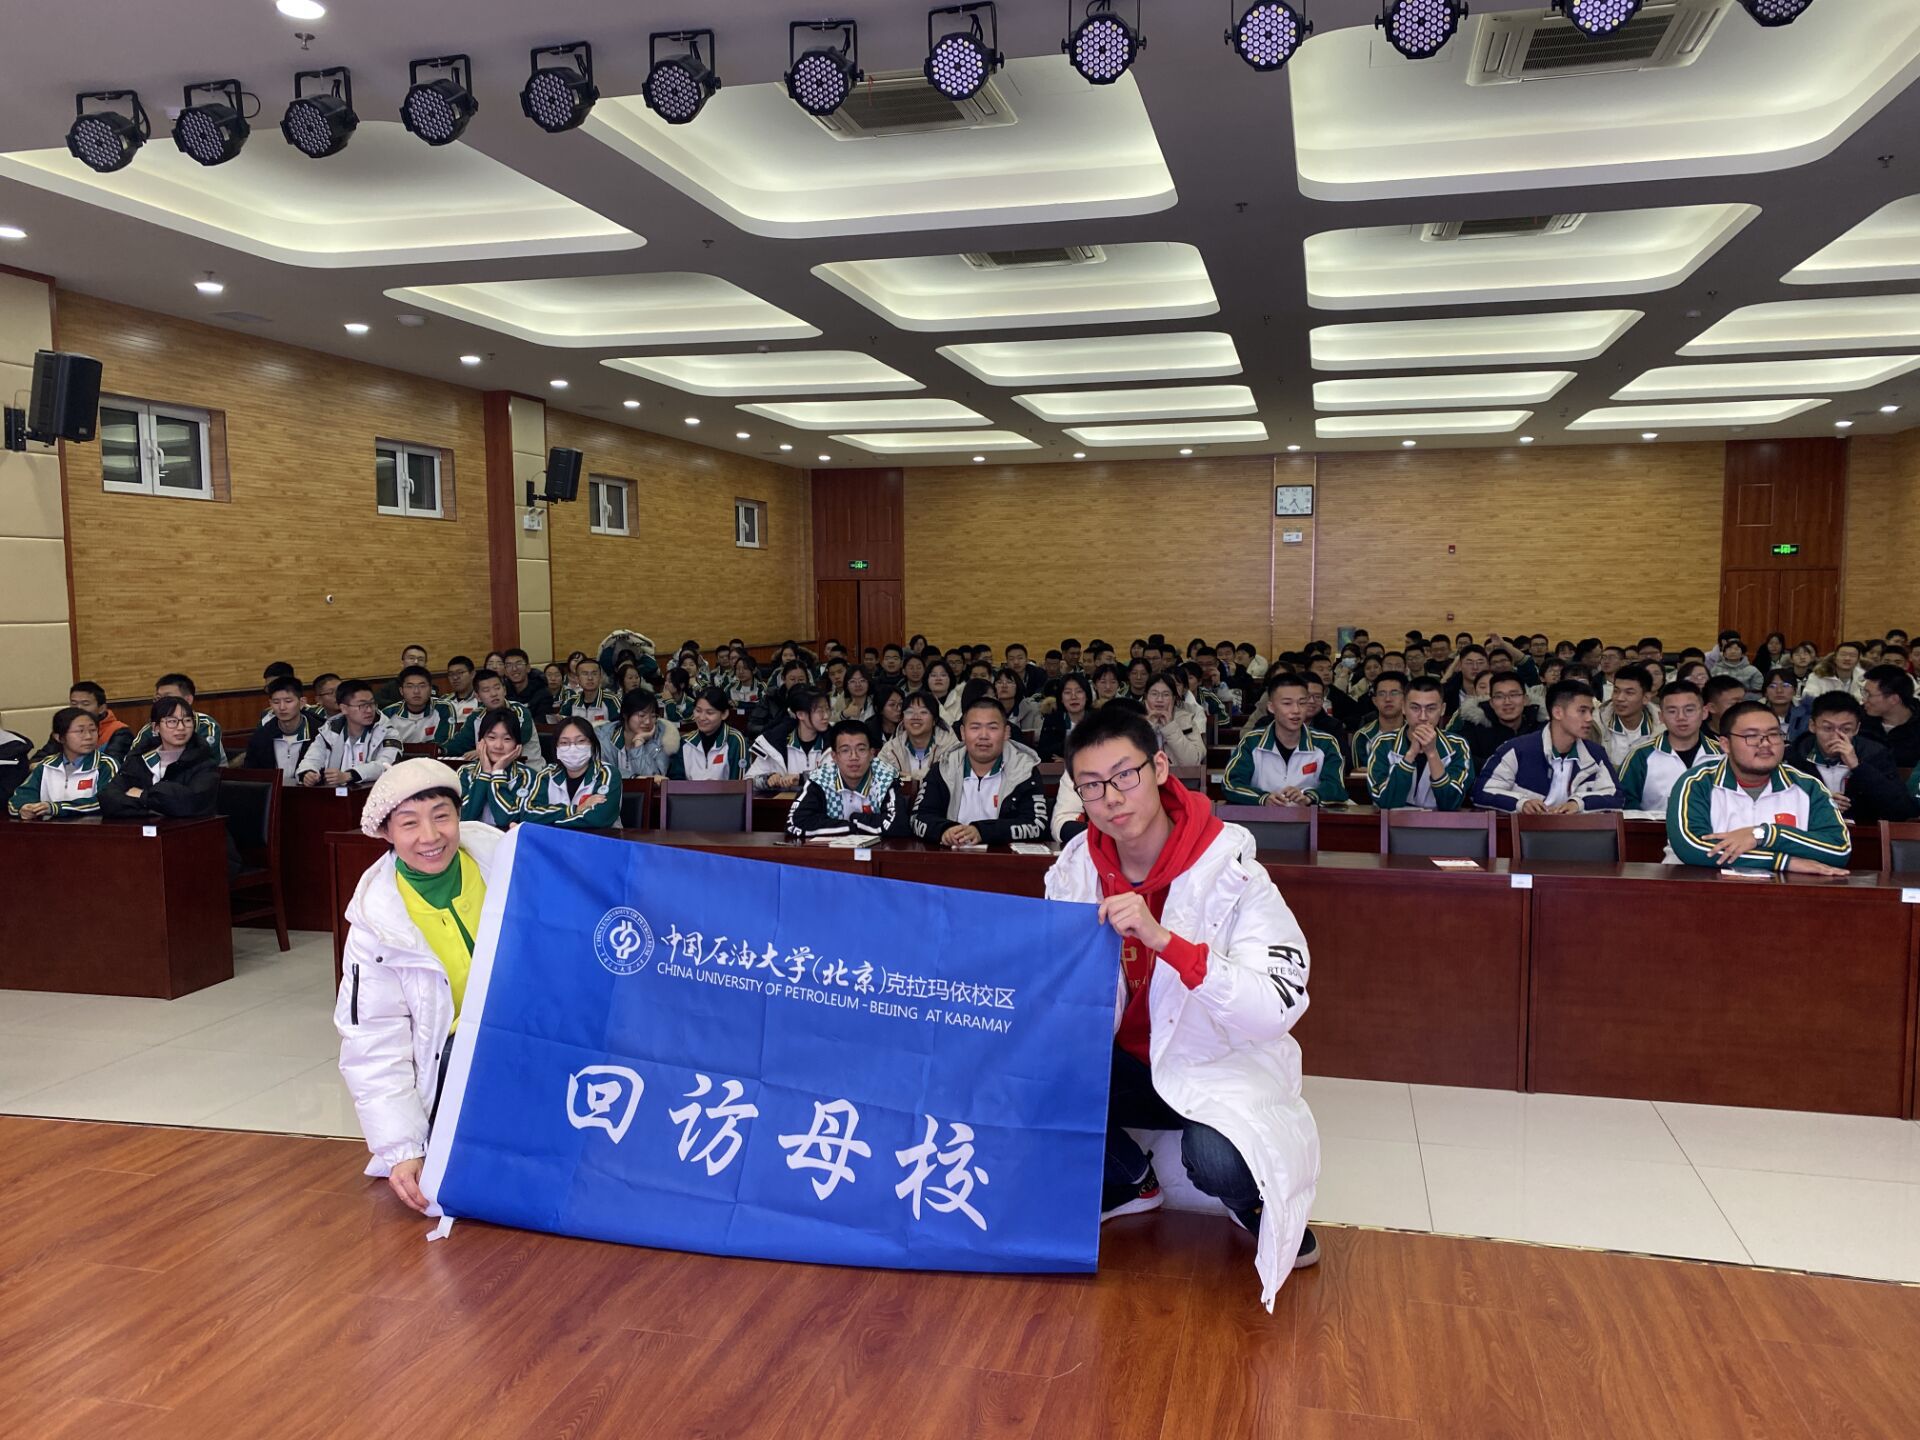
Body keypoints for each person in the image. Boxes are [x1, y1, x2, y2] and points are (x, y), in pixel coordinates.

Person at [1043, 703, 1318, 1305]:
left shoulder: (1233, 871)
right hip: (1125, 1063)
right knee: (1023, 1075)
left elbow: (1276, 1007)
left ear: (1160, 768)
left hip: (1214, 1064)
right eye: (1091, 785)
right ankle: (1131, 1181)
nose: (1111, 797)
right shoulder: (1075, 869)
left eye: (1125, 775)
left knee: (1218, 1158)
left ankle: (1253, 1203)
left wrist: (1168, 943)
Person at [337, 757, 510, 1211]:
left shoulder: (506, 860)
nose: (430, 837)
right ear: (386, 833)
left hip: (534, 1036)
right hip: (457, 1065)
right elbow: (372, 1039)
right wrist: (402, 1149)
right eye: (409, 823)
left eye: (441, 816)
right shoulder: (377, 922)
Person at [1667, 700, 1850, 874]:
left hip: (1783, 891)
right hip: (1703, 889)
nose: (1765, 744)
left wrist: (1767, 835)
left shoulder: (1808, 787)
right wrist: (1783, 862)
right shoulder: (1697, 783)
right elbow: (1691, 847)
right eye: (1751, 736)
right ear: (1725, 744)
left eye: (1774, 734)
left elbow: (1839, 849)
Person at [909, 695, 1048, 847]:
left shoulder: (1024, 770)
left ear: (1006, 732)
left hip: (1004, 857)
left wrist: (983, 832)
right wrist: (944, 830)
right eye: (975, 727)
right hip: (952, 856)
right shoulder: (943, 768)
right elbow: (918, 818)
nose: (983, 736)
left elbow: (1036, 825)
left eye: (992, 728)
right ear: (963, 733)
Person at [1473, 680, 1622, 814]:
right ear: (1557, 712)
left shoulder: (1595, 753)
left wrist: (1579, 803)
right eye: (1582, 711)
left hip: (1577, 832)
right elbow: (1482, 792)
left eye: (1591, 711)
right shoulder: (1517, 750)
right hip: (1526, 831)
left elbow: (1616, 796)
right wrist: (1521, 803)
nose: (1589, 718)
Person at [1787, 693, 1915, 826]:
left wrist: (1858, 767)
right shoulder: (1795, 756)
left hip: (1864, 832)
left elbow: (1902, 810)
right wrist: (1819, 801)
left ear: (1857, 728)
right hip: (1809, 831)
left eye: (1846, 729)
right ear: (1812, 726)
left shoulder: (1875, 754)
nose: (1836, 737)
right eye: (1828, 728)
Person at [1222, 673, 1348, 807]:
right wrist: (1263, 798)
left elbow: (1336, 787)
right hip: (1261, 817)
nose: (1296, 710)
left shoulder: (1325, 743)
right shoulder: (1252, 741)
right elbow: (1231, 784)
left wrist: (1309, 797)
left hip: (1308, 817)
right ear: (1271, 707)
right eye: (1287, 703)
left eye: (1302, 703)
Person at [102, 695, 222, 819]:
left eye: (187, 720)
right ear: (156, 727)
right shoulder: (140, 758)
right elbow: (109, 798)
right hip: (143, 828)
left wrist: (142, 795)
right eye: (172, 721)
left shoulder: (203, 760)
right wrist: (152, 808)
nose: (181, 727)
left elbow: (189, 803)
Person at [786, 720, 908, 839]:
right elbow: (794, 823)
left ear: (872, 754)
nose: (854, 757)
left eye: (861, 749)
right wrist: (850, 827)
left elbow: (898, 825)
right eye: (845, 750)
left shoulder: (886, 777)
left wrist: (855, 819)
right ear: (834, 756)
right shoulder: (820, 779)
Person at [1367, 676, 1473, 811]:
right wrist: (1410, 754)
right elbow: (1385, 801)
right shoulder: (1383, 743)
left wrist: (1432, 753)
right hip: (1395, 822)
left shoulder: (1457, 745)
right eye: (1415, 708)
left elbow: (1451, 803)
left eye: (1431, 708)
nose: (1423, 717)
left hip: (1441, 823)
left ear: (1442, 709)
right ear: (1403, 708)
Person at [1617, 681, 1723, 814]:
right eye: (1672, 711)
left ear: (1704, 712)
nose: (1681, 717)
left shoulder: (1723, 754)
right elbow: (1623, 803)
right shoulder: (1640, 756)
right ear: (1661, 717)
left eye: (1689, 710)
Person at [9, 707, 116, 819]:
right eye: (80, 731)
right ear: (59, 737)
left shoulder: (105, 765)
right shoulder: (46, 766)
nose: (88, 737)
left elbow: (106, 801)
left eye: (93, 730)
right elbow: (19, 798)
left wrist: (56, 808)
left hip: (92, 828)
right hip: (51, 828)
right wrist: (25, 808)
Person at [299, 679, 403, 787]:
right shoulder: (330, 730)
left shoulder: (387, 731)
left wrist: (350, 775)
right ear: (344, 708)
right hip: (335, 793)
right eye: (362, 705)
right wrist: (308, 773)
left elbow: (386, 764)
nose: (369, 710)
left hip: (375, 792)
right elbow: (312, 758)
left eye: (372, 703)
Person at [526, 717, 623, 830]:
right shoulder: (546, 774)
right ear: (556, 748)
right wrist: (575, 809)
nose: (572, 748)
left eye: (580, 741)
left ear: (592, 744)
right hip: (555, 839)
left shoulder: (607, 773)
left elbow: (599, 818)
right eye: (564, 743)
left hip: (597, 839)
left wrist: (548, 822)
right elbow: (529, 814)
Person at [457, 709, 547, 826]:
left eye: (507, 739)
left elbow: (506, 820)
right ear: (480, 742)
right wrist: (485, 773)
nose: (498, 746)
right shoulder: (465, 772)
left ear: (517, 745)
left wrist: (497, 773)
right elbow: (464, 817)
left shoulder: (529, 777)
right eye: (492, 737)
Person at [441, 669, 543, 766]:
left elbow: (517, 739)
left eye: (497, 688)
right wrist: (441, 750)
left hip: (527, 767)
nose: (494, 694)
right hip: (488, 769)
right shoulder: (476, 716)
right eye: (486, 690)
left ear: (504, 690)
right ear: (478, 697)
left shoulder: (519, 711)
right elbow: (461, 742)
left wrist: (484, 751)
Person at [748, 687, 834, 792]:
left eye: (827, 709)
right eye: (820, 711)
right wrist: (767, 779)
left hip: (822, 802)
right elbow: (748, 781)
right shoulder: (774, 742)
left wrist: (801, 778)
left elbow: (839, 777)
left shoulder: (836, 742)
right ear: (800, 714)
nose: (826, 716)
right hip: (784, 802)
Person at [244, 673, 323, 782]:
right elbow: (251, 775)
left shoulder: (321, 732)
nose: (282, 707)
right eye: (276, 702)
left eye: (288, 701)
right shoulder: (261, 736)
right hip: (274, 791)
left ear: (302, 703)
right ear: (270, 704)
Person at [1457, 673, 1544, 771]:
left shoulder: (1541, 728)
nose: (1507, 702)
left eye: (1514, 695)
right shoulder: (1475, 728)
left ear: (1525, 700)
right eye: (1499, 696)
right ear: (1491, 702)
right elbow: (1463, 757)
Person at [128, 672, 225, 759]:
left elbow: (201, 759)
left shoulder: (206, 725)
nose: (161, 703)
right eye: (158, 698)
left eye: (168, 697)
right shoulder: (151, 728)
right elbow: (131, 760)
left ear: (188, 700)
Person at [1591, 663, 1663, 770]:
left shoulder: (1662, 727)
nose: (1620, 698)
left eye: (1629, 693)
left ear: (1646, 698)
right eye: (1616, 691)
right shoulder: (1596, 724)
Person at [880, 690, 961, 783]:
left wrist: (907, 778)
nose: (915, 717)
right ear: (902, 718)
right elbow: (880, 777)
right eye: (910, 712)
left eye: (923, 712)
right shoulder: (891, 749)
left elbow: (950, 778)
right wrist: (910, 780)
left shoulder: (951, 747)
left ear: (934, 720)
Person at [669, 687, 749, 780]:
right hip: (690, 790)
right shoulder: (685, 741)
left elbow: (740, 784)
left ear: (724, 714)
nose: (702, 718)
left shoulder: (735, 740)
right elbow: (676, 782)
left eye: (710, 713)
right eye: (698, 711)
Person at [601, 687, 681, 779]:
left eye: (653, 716)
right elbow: (601, 772)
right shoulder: (604, 737)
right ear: (625, 715)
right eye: (642, 715)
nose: (648, 721)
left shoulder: (662, 738)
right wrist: (633, 777)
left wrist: (638, 743)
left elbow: (653, 779)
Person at [382, 665, 458, 747]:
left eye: (422, 686)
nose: (416, 691)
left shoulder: (443, 708)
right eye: (410, 686)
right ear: (401, 691)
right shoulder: (388, 713)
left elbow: (443, 744)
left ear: (430, 689)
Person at [1348, 670, 1408, 773]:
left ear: (1406, 698)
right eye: (1382, 694)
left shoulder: (1416, 733)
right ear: (1375, 701)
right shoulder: (1362, 736)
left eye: (1394, 693)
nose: (1388, 699)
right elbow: (1359, 776)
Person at [1861, 664, 1920, 767]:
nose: (1864, 700)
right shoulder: (1858, 720)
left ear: (1894, 699)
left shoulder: (1916, 728)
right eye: (1864, 693)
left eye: (1869, 694)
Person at [1144, 672, 1206, 768]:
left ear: (1173, 699)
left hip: (1179, 777)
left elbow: (1192, 762)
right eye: (1154, 694)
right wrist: (1148, 726)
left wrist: (1170, 727)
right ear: (1146, 697)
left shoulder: (1186, 720)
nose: (1159, 699)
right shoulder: (1134, 721)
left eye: (1166, 695)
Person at [65, 680, 132, 762]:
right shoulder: (64, 727)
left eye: (85, 704)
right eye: (74, 704)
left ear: (101, 708)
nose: (78, 708)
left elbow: (112, 764)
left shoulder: (120, 732)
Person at [557, 658, 619, 729]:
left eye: (594, 674)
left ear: (600, 677)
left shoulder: (612, 700)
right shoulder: (571, 701)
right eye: (585, 674)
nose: (590, 678)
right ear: (577, 679)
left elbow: (619, 728)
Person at [502, 648, 553, 722]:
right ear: (505, 671)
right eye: (509, 665)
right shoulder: (503, 693)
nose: (514, 669)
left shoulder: (543, 694)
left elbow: (542, 723)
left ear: (528, 668)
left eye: (518, 664)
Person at [373, 644, 431, 710]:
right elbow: (376, 703)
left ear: (425, 665)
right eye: (411, 658)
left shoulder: (430, 687)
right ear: (402, 662)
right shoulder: (390, 687)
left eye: (421, 659)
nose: (416, 662)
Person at [1701, 675, 1748, 740]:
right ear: (1712, 708)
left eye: (1743, 701)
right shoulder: (1698, 737)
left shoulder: (1751, 729)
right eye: (1734, 703)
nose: (1742, 707)